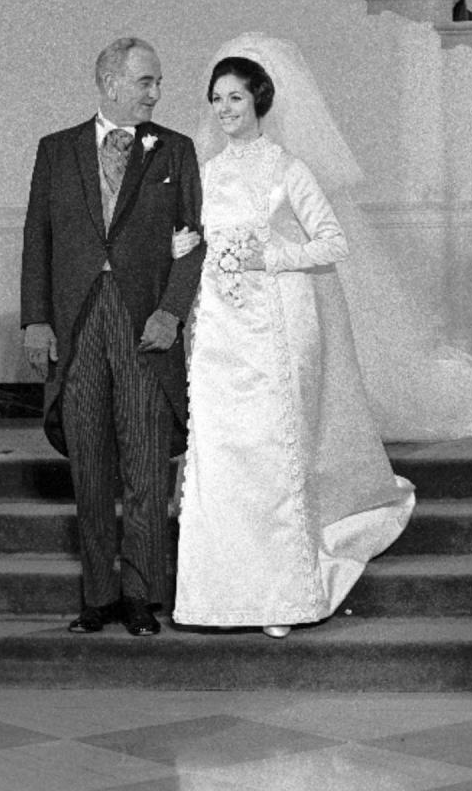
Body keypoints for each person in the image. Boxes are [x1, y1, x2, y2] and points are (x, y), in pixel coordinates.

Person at [171, 38, 416, 636]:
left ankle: (285, 595)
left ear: (259, 100)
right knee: (222, 456)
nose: (225, 108)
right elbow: (200, 240)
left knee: (273, 453)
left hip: (278, 325)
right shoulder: (205, 174)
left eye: (235, 97)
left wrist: (272, 254)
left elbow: (334, 242)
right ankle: (216, 594)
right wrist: (186, 248)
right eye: (216, 99)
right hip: (219, 334)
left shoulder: (287, 169)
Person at [20, 36, 204, 637]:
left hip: (144, 325)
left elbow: (192, 242)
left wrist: (171, 313)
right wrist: (35, 319)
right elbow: (37, 240)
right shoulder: (56, 151)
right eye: (146, 81)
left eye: (157, 82)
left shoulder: (175, 150)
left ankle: (141, 599)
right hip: (76, 327)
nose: (156, 92)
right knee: (91, 466)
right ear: (110, 84)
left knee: (148, 467)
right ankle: (97, 597)